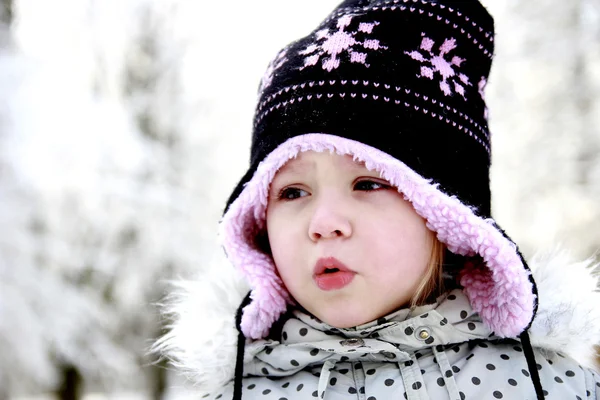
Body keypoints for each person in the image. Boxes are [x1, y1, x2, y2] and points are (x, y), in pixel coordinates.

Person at [154, 0, 600, 399]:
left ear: (446, 215)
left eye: (367, 184)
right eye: (292, 192)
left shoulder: (547, 385)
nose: (323, 222)